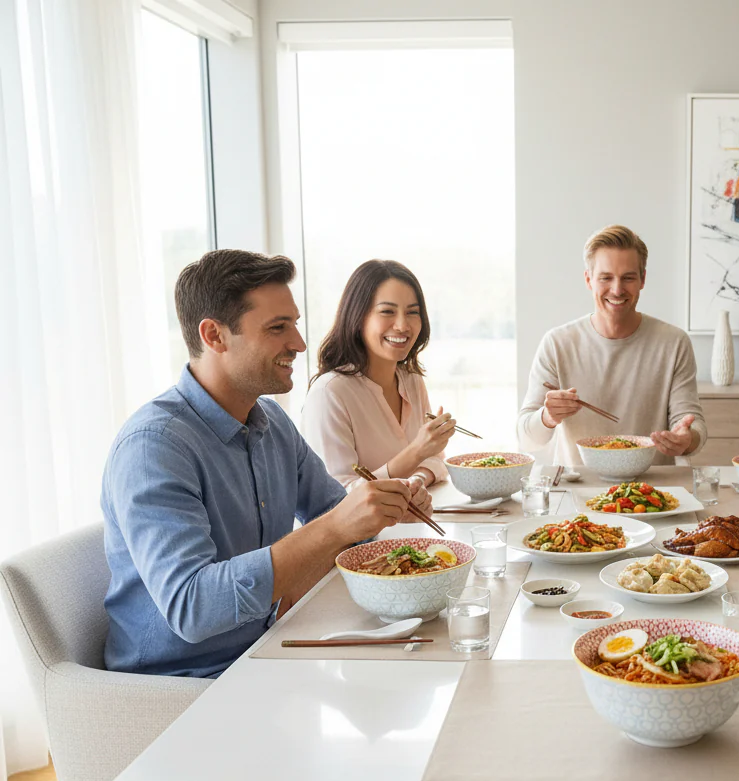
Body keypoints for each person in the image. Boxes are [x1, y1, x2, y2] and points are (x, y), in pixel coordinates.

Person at [101, 250, 434, 679]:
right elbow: (192, 608)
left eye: (294, 324)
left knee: (421, 670)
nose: (299, 343)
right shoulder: (154, 447)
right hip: (186, 682)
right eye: (278, 328)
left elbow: (340, 519)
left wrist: (381, 508)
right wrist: (337, 527)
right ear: (214, 336)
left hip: (269, 643)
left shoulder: (271, 422)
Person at [517, 224, 707, 466]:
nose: (617, 290)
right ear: (589, 280)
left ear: (642, 279)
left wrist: (686, 439)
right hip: (578, 484)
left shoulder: (674, 343)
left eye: (628, 278)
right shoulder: (557, 343)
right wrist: (547, 417)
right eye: (606, 278)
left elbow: (693, 424)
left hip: (651, 486)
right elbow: (527, 439)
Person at [302, 259, 456, 491]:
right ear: (357, 317)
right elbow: (336, 496)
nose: (403, 325)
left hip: (416, 514)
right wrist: (416, 452)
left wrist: (417, 480)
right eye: (387, 312)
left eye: (412, 312)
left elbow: (435, 459)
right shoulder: (329, 393)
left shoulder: (412, 380)